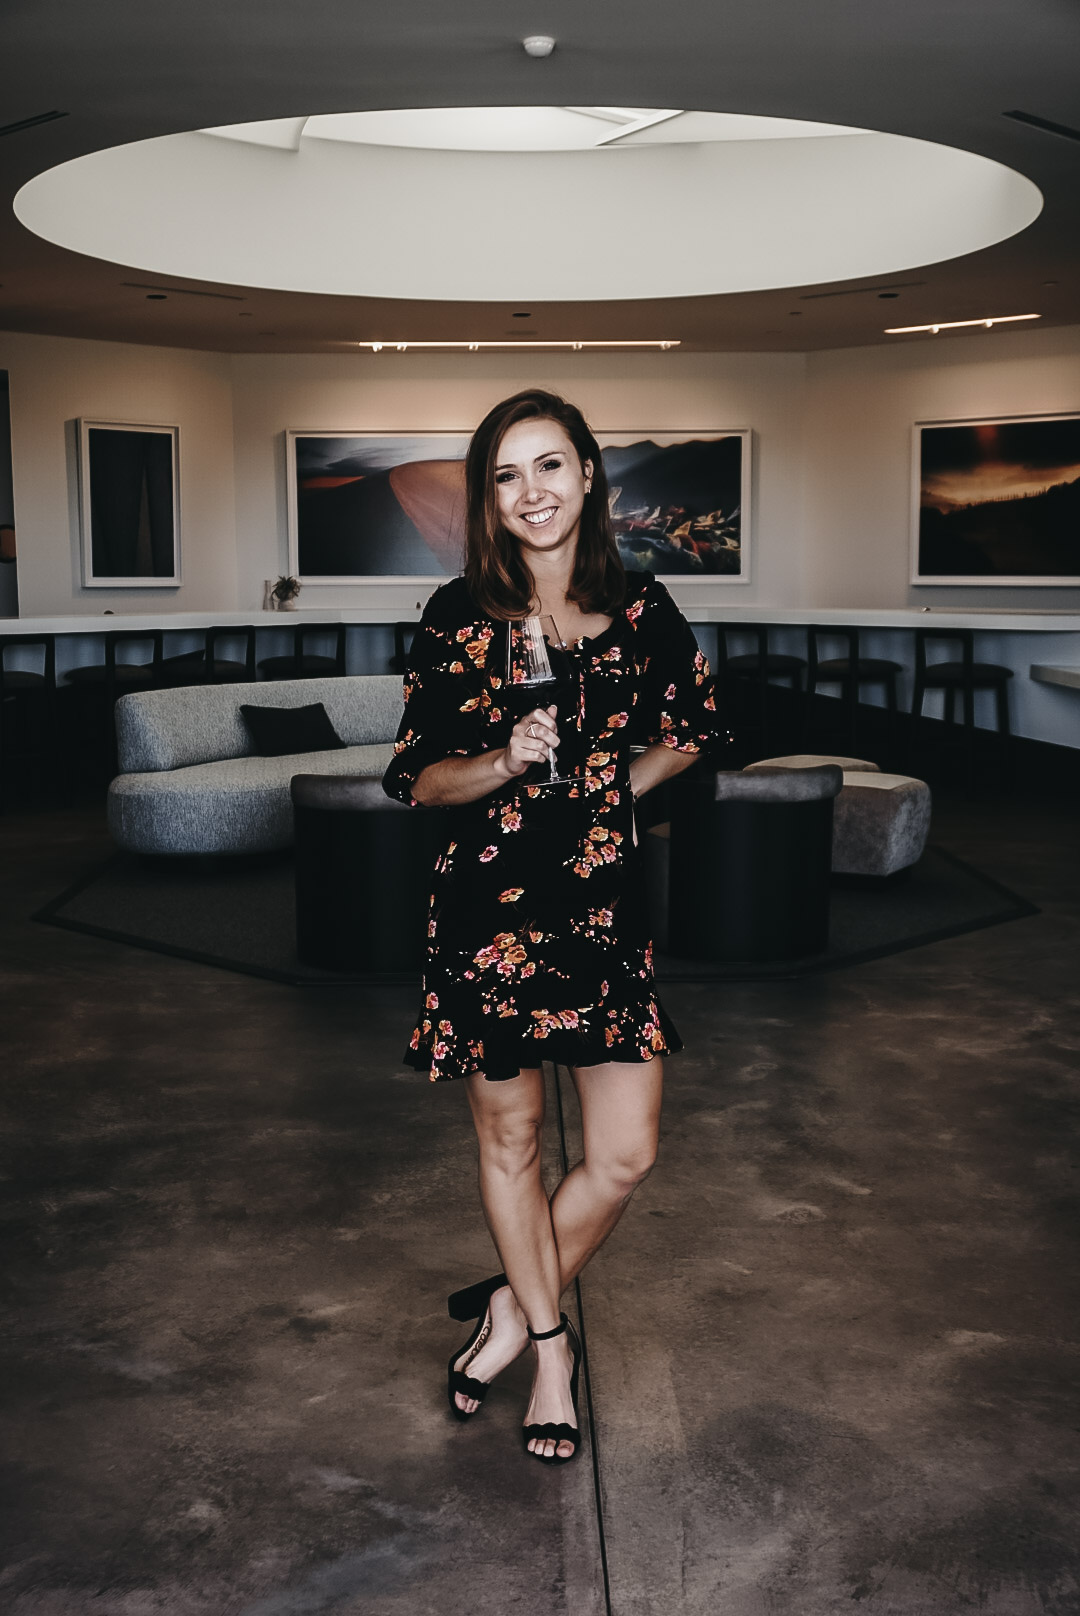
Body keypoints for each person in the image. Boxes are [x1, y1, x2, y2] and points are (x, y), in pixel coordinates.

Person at [382, 389, 722, 1465]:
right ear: (491, 495)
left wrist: (619, 782)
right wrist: (507, 761)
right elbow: (417, 776)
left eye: (550, 466)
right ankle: (546, 1344)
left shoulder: (643, 605)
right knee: (513, 1141)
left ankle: (504, 1297)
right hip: (486, 915)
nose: (530, 492)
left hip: (603, 913)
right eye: (506, 474)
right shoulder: (457, 614)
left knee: (624, 1152)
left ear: (587, 476)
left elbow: (695, 727)